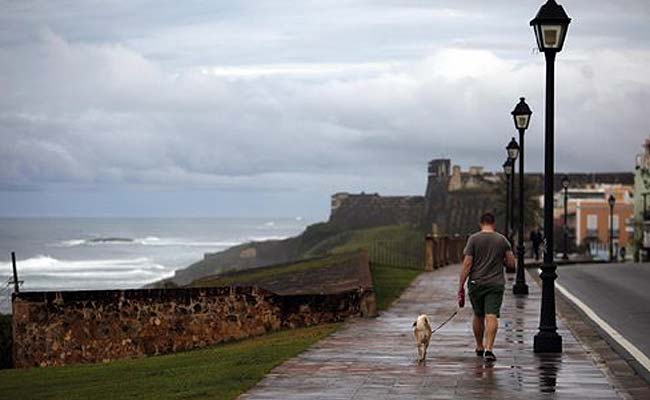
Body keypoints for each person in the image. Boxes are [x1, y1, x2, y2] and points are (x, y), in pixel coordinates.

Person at [457, 212, 516, 362]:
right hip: (495, 284)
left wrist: (461, 285)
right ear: (494, 223)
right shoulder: (502, 240)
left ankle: (479, 346)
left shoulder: (473, 239)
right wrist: (501, 260)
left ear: (480, 223)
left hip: (476, 283)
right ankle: (489, 349)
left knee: (478, 315)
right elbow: (511, 264)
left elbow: (467, 264)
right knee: (492, 315)